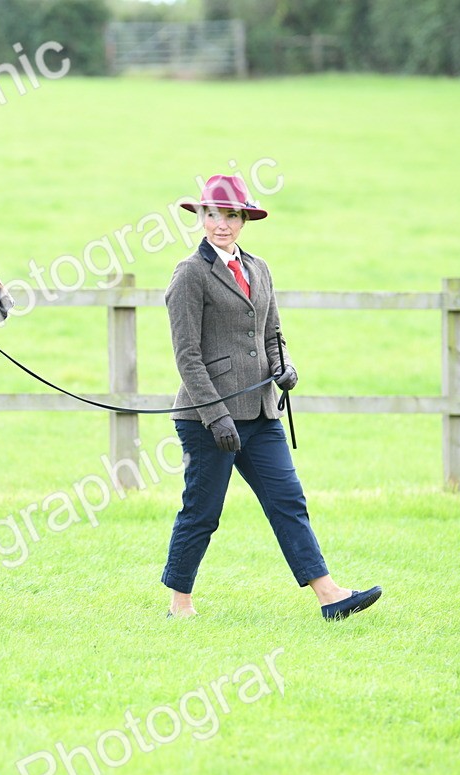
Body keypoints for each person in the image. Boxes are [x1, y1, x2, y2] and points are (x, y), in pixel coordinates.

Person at [162, 174, 382, 621]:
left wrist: (285, 366)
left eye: (230, 215)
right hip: (208, 419)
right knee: (203, 512)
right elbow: (187, 356)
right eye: (212, 214)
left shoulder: (259, 269)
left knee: (288, 500)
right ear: (201, 218)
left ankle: (330, 596)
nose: (221, 224)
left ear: (244, 219)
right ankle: (179, 604)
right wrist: (215, 416)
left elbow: (273, 333)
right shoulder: (189, 275)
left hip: (261, 412)